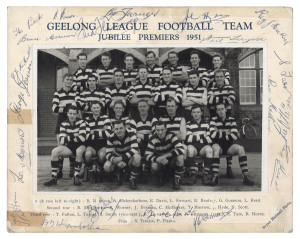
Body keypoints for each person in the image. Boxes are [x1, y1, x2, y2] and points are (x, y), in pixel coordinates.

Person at [209, 102, 255, 186]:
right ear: (216, 111)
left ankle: (246, 176)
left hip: (229, 146)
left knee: (240, 148)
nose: (221, 111)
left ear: (226, 109)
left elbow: (234, 135)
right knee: (215, 149)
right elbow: (212, 135)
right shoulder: (213, 120)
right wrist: (227, 133)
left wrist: (219, 133)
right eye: (218, 110)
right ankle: (215, 176)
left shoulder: (231, 120)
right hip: (218, 145)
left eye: (222, 109)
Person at [44, 106, 86, 187]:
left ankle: (76, 177)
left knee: (79, 151)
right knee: (55, 151)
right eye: (70, 113)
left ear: (77, 114)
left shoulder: (82, 122)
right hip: (69, 147)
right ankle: (54, 178)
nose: (72, 115)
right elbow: (62, 140)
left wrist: (69, 137)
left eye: (74, 113)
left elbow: (82, 138)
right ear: (67, 114)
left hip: (81, 146)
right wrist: (75, 135)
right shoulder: (63, 124)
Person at [52, 73, 81, 179]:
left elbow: (77, 105)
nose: (69, 81)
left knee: (72, 144)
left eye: (71, 79)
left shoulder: (75, 93)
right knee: (60, 146)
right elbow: (54, 108)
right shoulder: (58, 93)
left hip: (72, 121)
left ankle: (72, 169)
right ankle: (59, 170)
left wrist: (63, 106)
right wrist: (69, 108)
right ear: (63, 80)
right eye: (67, 79)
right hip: (61, 121)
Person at [145, 121, 185, 190]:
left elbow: (181, 149)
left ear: (166, 129)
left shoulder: (171, 135)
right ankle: (161, 176)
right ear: (155, 130)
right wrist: (157, 159)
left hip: (171, 159)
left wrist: (166, 156)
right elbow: (147, 155)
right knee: (154, 166)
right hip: (160, 160)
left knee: (180, 157)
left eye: (162, 130)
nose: (160, 132)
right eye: (158, 130)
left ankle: (176, 179)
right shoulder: (152, 139)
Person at [104, 120, 141, 190]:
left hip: (129, 158)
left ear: (125, 128)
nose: (119, 131)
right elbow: (108, 153)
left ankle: (132, 179)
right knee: (106, 166)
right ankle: (118, 172)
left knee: (137, 157)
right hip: (118, 158)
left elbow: (135, 149)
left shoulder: (131, 133)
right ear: (113, 130)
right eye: (116, 129)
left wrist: (122, 158)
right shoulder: (111, 137)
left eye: (121, 128)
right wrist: (116, 161)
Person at [129, 100, 158, 183]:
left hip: (151, 143)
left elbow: (155, 135)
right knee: (137, 153)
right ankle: (139, 173)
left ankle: (147, 171)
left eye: (144, 106)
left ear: (148, 107)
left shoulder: (153, 119)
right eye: (140, 107)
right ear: (138, 108)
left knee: (153, 148)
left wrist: (140, 135)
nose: (142, 108)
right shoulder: (134, 120)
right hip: (139, 144)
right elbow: (133, 135)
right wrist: (148, 134)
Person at [185, 105, 214, 185]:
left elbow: (210, 139)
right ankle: (193, 175)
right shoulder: (188, 124)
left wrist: (195, 136)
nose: (196, 114)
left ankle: (205, 175)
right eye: (194, 112)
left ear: (201, 113)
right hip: (193, 146)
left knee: (209, 150)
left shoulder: (207, 124)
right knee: (190, 149)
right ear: (191, 113)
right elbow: (188, 139)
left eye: (198, 112)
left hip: (203, 147)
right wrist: (202, 136)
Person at [85, 101, 111, 183]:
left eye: (97, 107)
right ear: (91, 109)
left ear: (100, 108)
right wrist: (101, 132)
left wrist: (94, 132)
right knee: (87, 154)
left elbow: (108, 133)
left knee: (103, 155)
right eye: (94, 108)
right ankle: (91, 172)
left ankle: (99, 172)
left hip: (102, 143)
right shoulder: (87, 119)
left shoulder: (106, 118)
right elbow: (86, 135)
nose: (96, 109)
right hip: (91, 143)